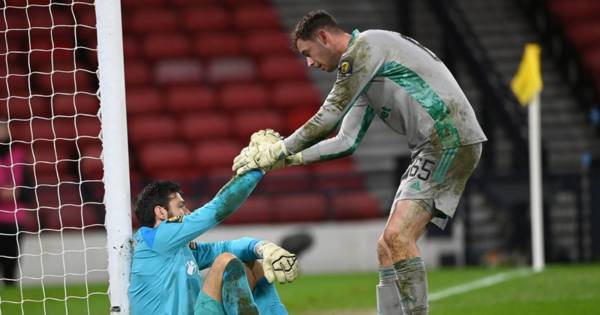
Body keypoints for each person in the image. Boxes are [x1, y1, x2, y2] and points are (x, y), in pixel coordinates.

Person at [233, 10, 487, 315]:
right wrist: (287, 160)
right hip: (434, 145)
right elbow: (345, 141)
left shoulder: (364, 49)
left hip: (448, 139)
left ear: (324, 37)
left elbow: (327, 118)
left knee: (398, 237)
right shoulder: (366, 70)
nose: (309, 63)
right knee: (386, 247)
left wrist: (279, 149)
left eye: (308, 53)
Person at [128, 169, 298, 315]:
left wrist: (263, 247)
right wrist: (258, 170)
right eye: (180, 206)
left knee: (250, 264)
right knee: (225, 261)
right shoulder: (156, 237)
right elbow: (217, 208)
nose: (187, 211)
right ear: (161, 212)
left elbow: (227, 246)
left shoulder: (179, 249)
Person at [0, 121, 29, 286]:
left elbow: (30, 189)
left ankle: (11, 287)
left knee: (11, 259)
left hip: (14, 219)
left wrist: (17, 192)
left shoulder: (18, 154)